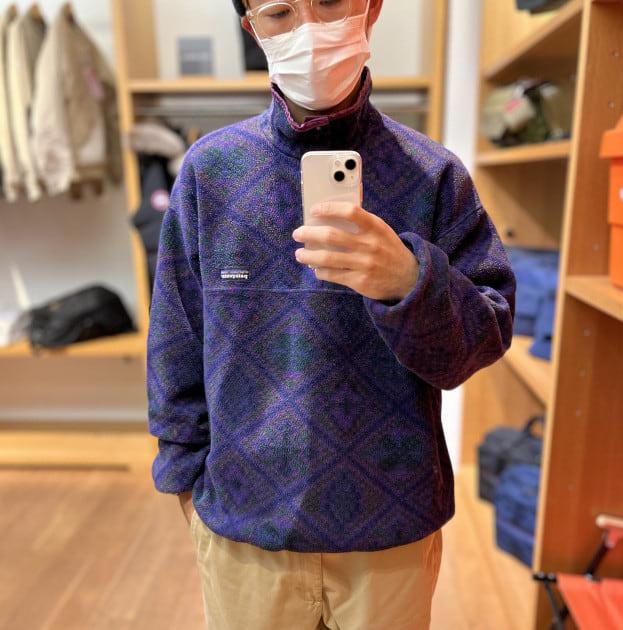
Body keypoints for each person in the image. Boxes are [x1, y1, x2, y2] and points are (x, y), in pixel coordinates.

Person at [147, 1, 516, 629]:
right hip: (244, 526)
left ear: (370, 9)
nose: (309, 29)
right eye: (280, 11)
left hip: (392, 527)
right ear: (253, 29)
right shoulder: (210, 173)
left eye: (329, 1)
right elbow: (175, 341)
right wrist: (186, 484)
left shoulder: (434, 176)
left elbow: (482, 341)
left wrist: (411, 282)